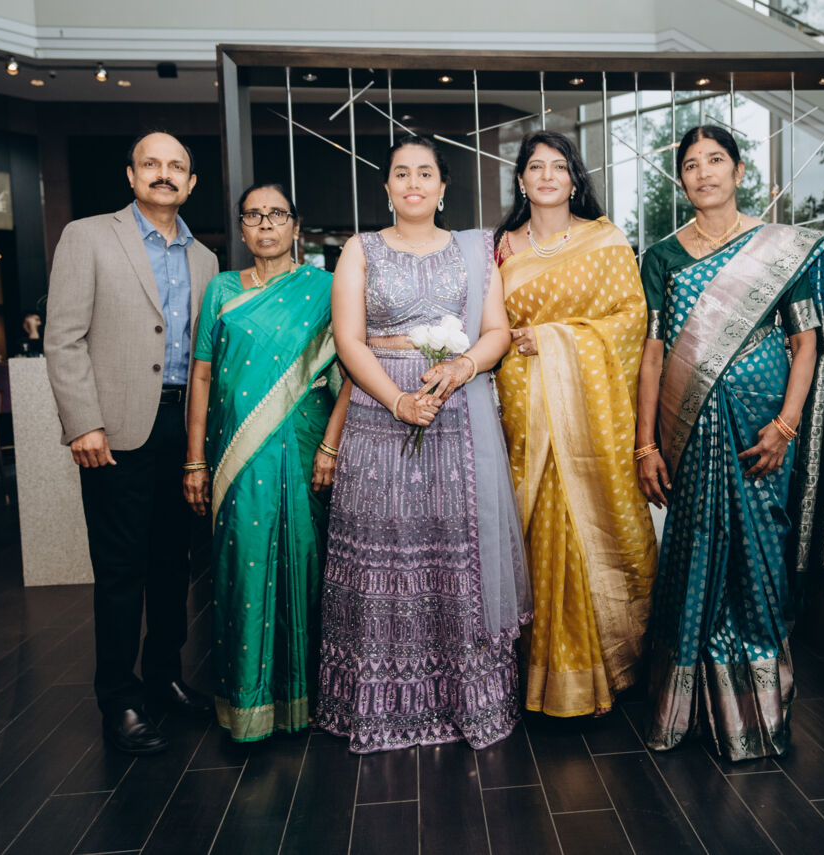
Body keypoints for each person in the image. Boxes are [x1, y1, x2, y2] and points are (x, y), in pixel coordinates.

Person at [636, 125, 824, 760]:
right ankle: (689, 712)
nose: (704, 173)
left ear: (739, 170)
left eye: (716, 160)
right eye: (691, 164)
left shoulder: (780, 250)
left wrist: (786, 425)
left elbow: (806, 343)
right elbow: (653, 357)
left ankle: (760, 710)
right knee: (695, 551)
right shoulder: (662, 258)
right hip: (690, 430)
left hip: (763, 432)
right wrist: (646, 445)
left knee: (761, 557)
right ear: (681, 180)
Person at [317, 135, 529, 753]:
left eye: (425, 173)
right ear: (386, 186)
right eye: (401, 173)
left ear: (443, 187)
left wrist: (463, 367)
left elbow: (497, 331)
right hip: (378, 413)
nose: (413, 183)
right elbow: (349, 340)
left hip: (457, 413)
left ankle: (465, 699)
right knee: (382, 545)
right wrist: (397, 401)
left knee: (452, 547)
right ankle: (380, 705)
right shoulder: (360, 249)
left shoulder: (475, 251)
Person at [46, 131, 219, 755]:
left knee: (175, 566)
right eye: (152, 164)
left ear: (191, 183)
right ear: (131, 175)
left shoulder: (206, 259)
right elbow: (63, 338)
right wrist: (83, 422)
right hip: (115, 431)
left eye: (176, 167)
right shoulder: (88, 236)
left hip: (185, 429)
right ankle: (118, 699)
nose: (164, 174)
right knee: (121, 571)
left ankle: (164, 678)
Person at [493, 131, 657, 718]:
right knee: (532, 530)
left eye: (558, 166)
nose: (546, 176)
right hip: (522, 409)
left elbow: (631, 321)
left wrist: (554, 338)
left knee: (591, 522)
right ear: (520, 180)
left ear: (573, 179)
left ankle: (604, 669)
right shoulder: (500, 249)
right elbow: (486, 325)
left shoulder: (605, 240)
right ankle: (531, 674)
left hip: (591, 415)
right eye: (535, 166)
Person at [183, 183, 351, 742]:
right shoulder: (222, 289)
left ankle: (305, 701)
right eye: (253, 216)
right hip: (235, 456)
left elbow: (352, 372)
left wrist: (331, 445)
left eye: (277, 214)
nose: (265, 225)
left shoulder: (325, 288)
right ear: (241, 227)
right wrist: (193, 461)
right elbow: (202, 375)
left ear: (296, 226)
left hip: (304, 448)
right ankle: (248, 706)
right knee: (241, 568)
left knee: (306, 565)